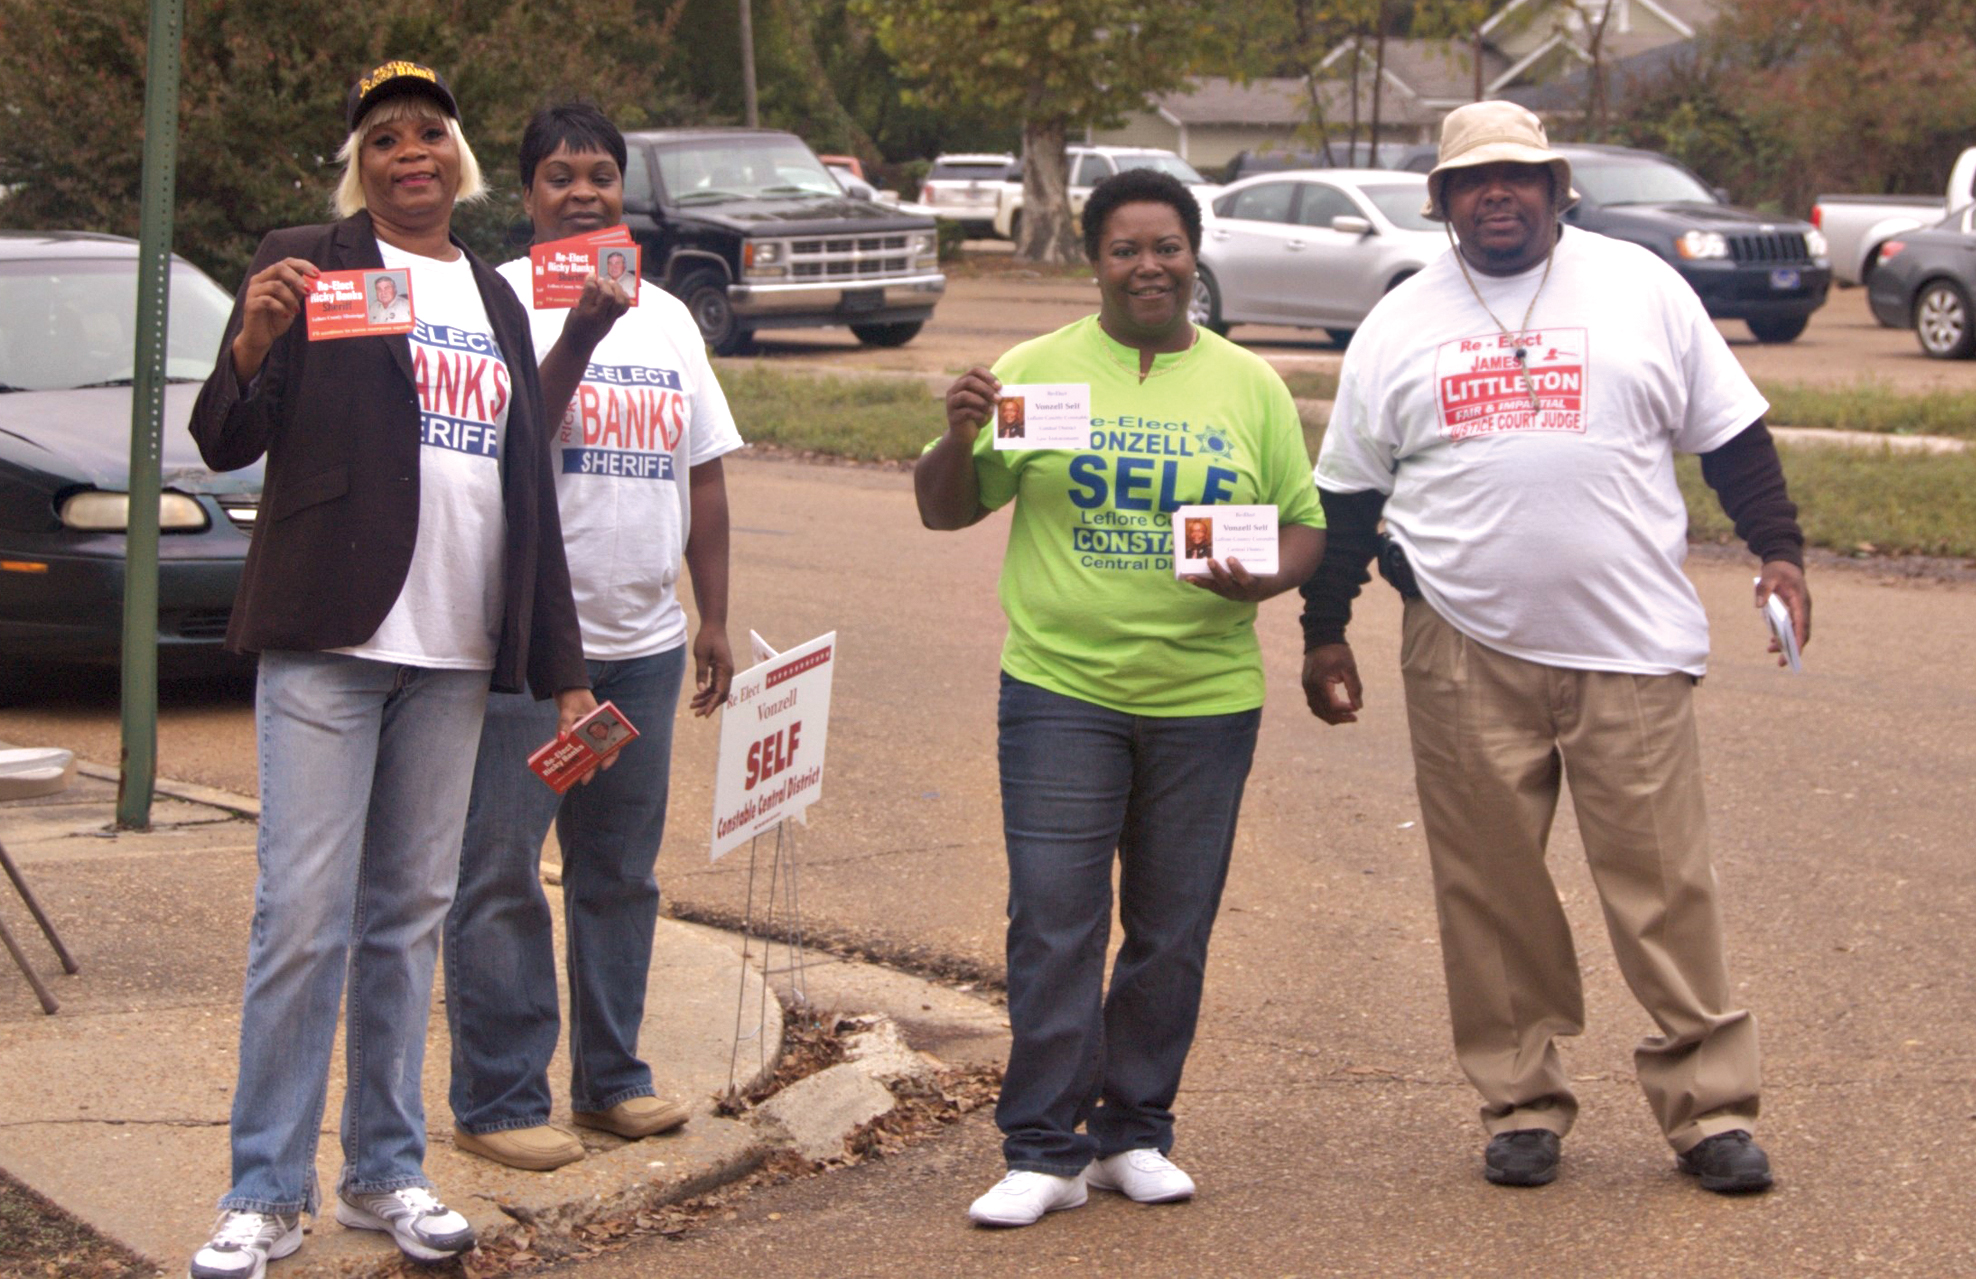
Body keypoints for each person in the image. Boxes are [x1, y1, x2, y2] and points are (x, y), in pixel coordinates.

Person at [1299, 101, 1812, 1196]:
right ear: (1442, 202)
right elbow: (1347, 494)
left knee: (1663, 882)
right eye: (1472, 181)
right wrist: (1324, 626)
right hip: (1458, 642)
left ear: (1555, 188)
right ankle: (1520, 1100)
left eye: (1518, 177)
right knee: (1487, 886)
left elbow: (1730, 435)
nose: (1497, 195)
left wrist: (1779, 552)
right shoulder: (1399, 320)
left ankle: (1709, 1107)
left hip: (1628, 642)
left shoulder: (1642, 287)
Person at [184, 61, 594, 1278]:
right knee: (300, 919)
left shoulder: (495, 294)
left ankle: (383, 1171)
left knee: (408, 919)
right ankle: (264, 1190)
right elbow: (224, 436)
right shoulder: (306, 262)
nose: (408, 153)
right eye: (382, 139)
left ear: (456, 158)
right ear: (357, 167)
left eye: (427, 135)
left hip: (455, 654)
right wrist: (253, 339)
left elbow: (525, 482)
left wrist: (563, 664)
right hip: (330, 641)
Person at [915, 169, 1326, 1228]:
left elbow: (1303, 523)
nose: (1149, 266)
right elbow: (945, 512)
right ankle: (1043, 1149)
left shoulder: (1248, 386)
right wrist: (957, 438)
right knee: (1054, 918)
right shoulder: (1035, 371)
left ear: (1194, 255)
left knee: (1169, 926)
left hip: (1205, 696)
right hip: (1061, 689)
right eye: (1125, 249)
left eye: (1167, 247)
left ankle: (1132, 1133)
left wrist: (1264, 577)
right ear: (1094, 262)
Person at [442, 102, 742, 1174]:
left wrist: (711, 615)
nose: (583, 193)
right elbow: (505, 443)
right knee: (500, 875)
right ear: (525, 194)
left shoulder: (667, 317)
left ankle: (612, 1081)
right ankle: (498, 1098)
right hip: (530, 650)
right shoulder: (494, 303)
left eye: (601, 175)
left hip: (643, 650)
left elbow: (703, 475)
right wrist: (579, 329)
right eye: (560, 176)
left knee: (619, 874)